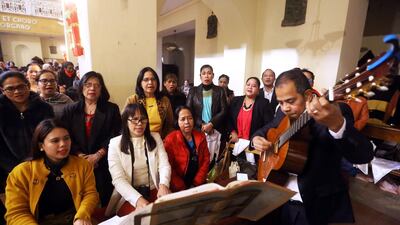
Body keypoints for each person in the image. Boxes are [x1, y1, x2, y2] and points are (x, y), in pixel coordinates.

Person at [251, 68, 374, 225]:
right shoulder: (283, 114)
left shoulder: (335, 112)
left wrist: (337, 125)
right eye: (280, 102)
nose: (284, 108)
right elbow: (265, 129)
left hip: (314, 207)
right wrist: (256, 138)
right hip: (279, 199)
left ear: (308, 95)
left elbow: (363, 155)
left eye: (290, 101)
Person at [5, 119, 99, 225]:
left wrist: (82, 216)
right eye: (55, 141)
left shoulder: (82, 165)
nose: (63, 144)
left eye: (66, 138)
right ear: (41, 146)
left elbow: (90, 194)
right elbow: (16, 213)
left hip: (74, 218)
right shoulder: (21, 173)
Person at [61, 71, 121, 207]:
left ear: (101, 89)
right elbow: (65, 135)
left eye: (96, 85)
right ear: (82, 87)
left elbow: (115, 134)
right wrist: (80, 155)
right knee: (79, 199)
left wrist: (98, 155)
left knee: (105, 199)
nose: (92, 88)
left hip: (103, 161)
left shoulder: (111, 109)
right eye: (88, 85)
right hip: (76, 160)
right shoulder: (70, 109)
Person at [107, 103, 171, 216]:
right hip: (130, 195)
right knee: (142, 218)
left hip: (154, 188)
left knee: (170, 215)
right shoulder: (115, 144)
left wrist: (164, 184)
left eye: (143, 119)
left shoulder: (155, 137)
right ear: (125, 121)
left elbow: (164, 165)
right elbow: (118, 179)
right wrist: (138, 199)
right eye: (134, 119)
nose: (139, 124)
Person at [0, 71, 54, 191]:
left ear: (28, 85)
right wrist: (14, 168)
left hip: (41, 165)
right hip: (9, 169)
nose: (17, 92)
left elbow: (49, 137)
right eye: (10, 89)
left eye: (21, 86)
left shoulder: (44, 108)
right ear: (2, 90)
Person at [228, 77, 273, 178]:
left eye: (254, 86)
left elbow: (269, 124)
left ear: (258, 90)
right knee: (234, 174)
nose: (250, 87)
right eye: (248, 84)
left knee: (250, 176)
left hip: (253, 147)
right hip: (236, 144)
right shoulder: (236, 101)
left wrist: (257, 138)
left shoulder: (264, 103)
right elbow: (228, 119)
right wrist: (232, 131)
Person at [164, 106, 210, 192]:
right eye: (182, 119)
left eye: (190, 118)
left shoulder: (200, 137)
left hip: (198, 184)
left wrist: (197, 182)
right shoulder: (170, 140)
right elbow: (168, 166)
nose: (187, 122)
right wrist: (181, 187)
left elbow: (206, 159)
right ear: (177, 122)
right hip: (178, 187)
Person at [125, 67, 174, 138]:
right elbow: (124, 123)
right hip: (137, 139)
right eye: (146, 80)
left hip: (159, 139)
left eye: (153, 79)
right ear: (140, 83)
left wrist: (166, 140)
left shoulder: (164, 100)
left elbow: (170, 124)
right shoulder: (132, 100)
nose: (150, 82)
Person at [186, 64, 227, 135]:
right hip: (198, 128)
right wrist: (201, 124)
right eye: (204, 73)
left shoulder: (220, 91)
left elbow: (224, 110)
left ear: (213, 75)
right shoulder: (193, 91)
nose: (206, 76)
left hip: (215, 129)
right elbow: (188, 110)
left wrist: (211, 124)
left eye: (209, 73)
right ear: (200, 76)